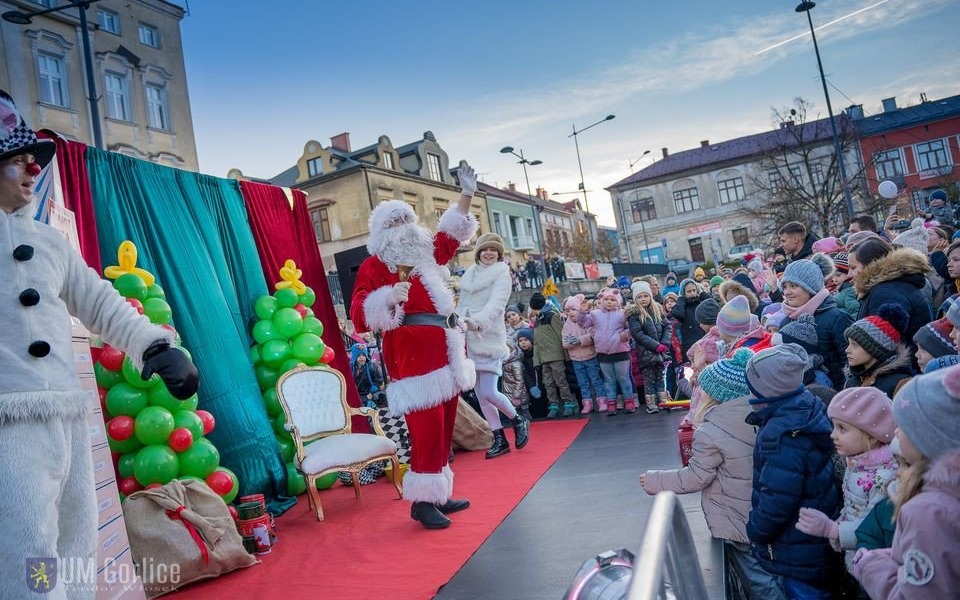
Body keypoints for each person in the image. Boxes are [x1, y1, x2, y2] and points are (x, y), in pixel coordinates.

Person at [0, 90, 199, 598]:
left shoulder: (50, 242)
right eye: (17, 158)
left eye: (34, 160)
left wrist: (154, 347)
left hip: (66, 419)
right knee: (28, 558)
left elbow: (100, 302)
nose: (32, 168)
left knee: (74, 544)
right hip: (9, 425)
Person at [349, 165, 479, 529]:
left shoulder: (425, 253)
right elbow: (359, 312)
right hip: (413, 361)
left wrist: (466, 193)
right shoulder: (373, 266)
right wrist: (389, 296)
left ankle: (437, 493)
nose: (404, 226)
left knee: (444, 428)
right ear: (380, 233)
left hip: (447, 353)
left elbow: (452, 234)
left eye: (408, 218)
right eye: (395, 222)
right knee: (426, 431)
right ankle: (421, 503)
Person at [641, 348, 786, 600]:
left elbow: (696, 477)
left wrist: (655, 480)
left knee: (757, 581)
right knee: (772, 574)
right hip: (768, 513)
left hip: (736, 521)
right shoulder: (766, 418)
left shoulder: (711, 431)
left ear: (715, 395)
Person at [851, 366, 960, 599]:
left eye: (905, 428)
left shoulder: (929, 511)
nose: (896, 433)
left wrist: (871, 566)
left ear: (930, 437)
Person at [744, 344, 841, 599]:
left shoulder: (782, 434)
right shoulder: (804, 407)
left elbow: (778, 497)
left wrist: (756, 530)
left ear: (768, 390)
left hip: (797, 548)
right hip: (811, 540)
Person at [795, 387, 898, 574]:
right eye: (834, 426)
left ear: (871, 435)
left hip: (876, 569)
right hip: (858, 560)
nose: (833, 435)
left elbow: (876, 531)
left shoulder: (884, 479)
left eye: (842, 428)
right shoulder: (858, 463)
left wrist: (832, 530)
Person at [456, 233, 530, 459]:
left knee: (489, 391)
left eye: (493, 250)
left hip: (488, 337)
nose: (489, 253)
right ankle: (499, 437)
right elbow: (462, 304)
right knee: (480, 395)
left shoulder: (502, 274)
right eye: (485, 249)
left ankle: (518, 420)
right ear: (478, 252)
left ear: (499, 254)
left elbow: (497, 305)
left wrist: (477, 323)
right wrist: (456, 322)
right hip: (468, 339)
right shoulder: (469, 274)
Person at [779, 254, 853, 388]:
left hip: (835, 393)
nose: (787, 292)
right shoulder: (785, 321)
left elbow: (850, 363)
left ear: (811, 288)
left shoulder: (837, 318)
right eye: (784, 286)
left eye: (793, 286)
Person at [577, 288, 635, 415]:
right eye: (606, 299)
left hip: (620, 351)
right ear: (601, 300)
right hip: (603, 353)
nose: (609, 302)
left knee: (623, 378)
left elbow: (632, 328)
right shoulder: (595, 314)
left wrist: (625, 335)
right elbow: (582, 323)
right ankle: (611, 404)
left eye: (612, 300)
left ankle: (629, 402)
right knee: (609, 380)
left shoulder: (622, 314)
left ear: (618, 301)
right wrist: (582, 311)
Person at [627, 280, 670, 414]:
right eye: (639, 297)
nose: (643, 299)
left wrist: (664, 343)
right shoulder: (634, 315)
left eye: (645, 296)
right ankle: (651, 404)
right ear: (635, 299)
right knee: (649, 379)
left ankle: (663, 401)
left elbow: (667, 326)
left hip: (660, 351)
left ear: (650, 296)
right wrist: (656, 346)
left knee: (661, 376)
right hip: (646, 353)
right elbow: (638, 334)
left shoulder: (657, 310)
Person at [530, 292, 575, 418]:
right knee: (548, 383)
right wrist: (537, 361)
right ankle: (553, 405)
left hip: (556, 355)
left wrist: (566, 355)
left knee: (561, 380)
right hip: (544, 358)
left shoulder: (551, 316)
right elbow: (537, 343)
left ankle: (568, 403)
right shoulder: (537, 321)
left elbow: (561, 335)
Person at [562, 295, 606, 414]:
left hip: (590, 356)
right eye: (568, 310)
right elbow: (565, 342)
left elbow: (592, 336)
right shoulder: (566, 326)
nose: (571, 313)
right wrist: (571, 342)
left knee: (596, 380)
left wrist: (579, 340)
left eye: (573, 309)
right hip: (576, 359)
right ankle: (587, 403)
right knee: (582, 383)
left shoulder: (587, 321)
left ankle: (602, 401)